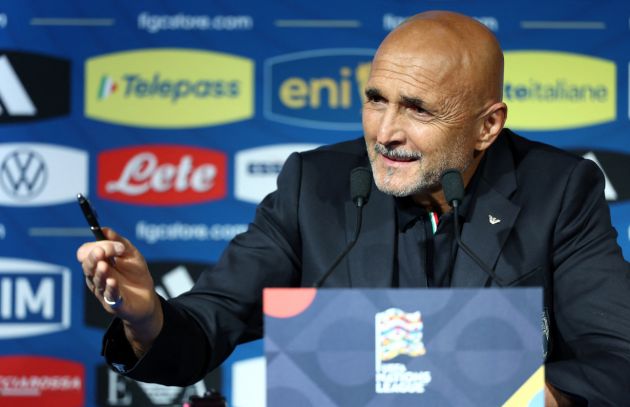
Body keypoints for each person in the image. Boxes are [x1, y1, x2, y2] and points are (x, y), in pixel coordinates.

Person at [77, 10, 630, 406]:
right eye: (375, 100)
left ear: (487, 125)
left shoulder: (559, 191)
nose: (385, 132)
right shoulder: (313, 185)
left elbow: (615, 361)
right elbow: (204, 330)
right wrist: (147, 318)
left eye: (417, 109)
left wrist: (533, 398)